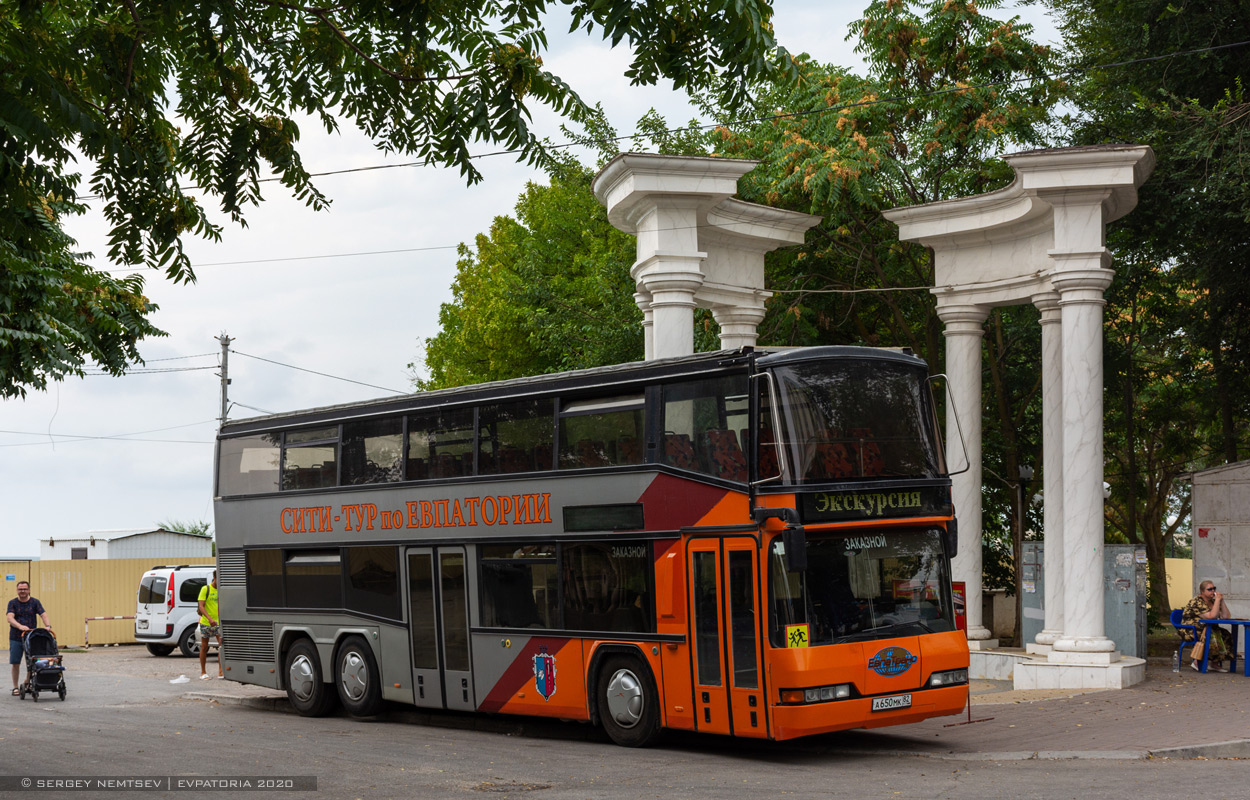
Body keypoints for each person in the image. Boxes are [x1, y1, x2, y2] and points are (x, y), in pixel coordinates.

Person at [7, 580, 52, 696]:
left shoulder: (35, 602)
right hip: (16, 637)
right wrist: (20, 626)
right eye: (20, 589)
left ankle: (28, 683)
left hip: (32, 637)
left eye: (25, 589)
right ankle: (15, 687)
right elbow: (10, 618)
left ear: (29, 590)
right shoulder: (12, 603)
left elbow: (43, 614)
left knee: (31, 662)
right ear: (17, 590)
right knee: (15, 662)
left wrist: (47, 626)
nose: (22, 591)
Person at [1181, 580, 1234, 672]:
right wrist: (1217, 600)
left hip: (1208, 628)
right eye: (1209, 589)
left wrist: (1221, 601)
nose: (1213, 591)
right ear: (1202, 591)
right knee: (1210, 635)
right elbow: (1211, 617)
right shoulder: (1196, 601)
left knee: (1225, 634)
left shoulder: (1213, 602)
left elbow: (1226, 616)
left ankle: (1214, 663)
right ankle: (1197, 661)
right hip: (1191, 629)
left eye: (1214, 588)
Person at [197, 571, 222, 680]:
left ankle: (221, 671)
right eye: (219, 579)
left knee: (221, 646)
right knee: (204, 647)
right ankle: (203, 672)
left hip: (219, 623)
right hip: (207, 622)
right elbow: (201, 606)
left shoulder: (221, 590)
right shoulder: (205, 589)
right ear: (214, 578)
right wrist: (210, 619)